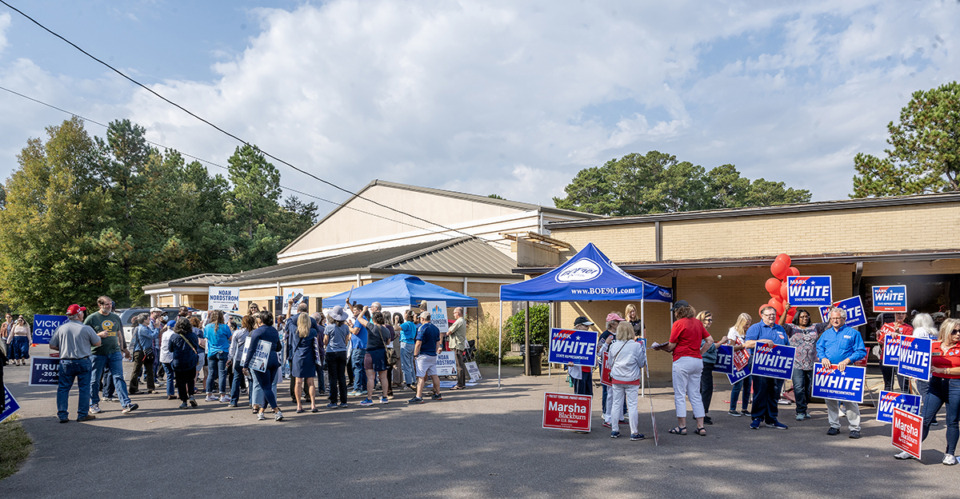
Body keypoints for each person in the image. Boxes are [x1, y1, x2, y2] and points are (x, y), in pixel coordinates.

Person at [896, 318, 960, 464]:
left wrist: (944, 370)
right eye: (954, 331)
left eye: (959, 331)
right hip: (936, 385)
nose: (958, 334)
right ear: (945, 331)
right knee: (924, 419)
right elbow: (915, 356)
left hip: (956, 385)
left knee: (952, 421)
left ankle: (950, 454)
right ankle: (910, 448)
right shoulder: (933, 345)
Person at [652, 300, 712, 436]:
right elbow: (709, 341)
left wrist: (660, 347)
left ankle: (682, 426)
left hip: (682, 360)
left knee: (680, 394)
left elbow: (671, 346)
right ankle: (701, 426)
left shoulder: (678, 324)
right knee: (695, 394)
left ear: (678, 311)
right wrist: (699, 353)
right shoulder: (698, 323)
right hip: (697, 361)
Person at [816, 307, 867, 439]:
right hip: (829, 371)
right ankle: (834, 425)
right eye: (832, 318)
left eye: (837, 318)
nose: (835, 320)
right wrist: (823, 358)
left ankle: (855, 428)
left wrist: (848, 360)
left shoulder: (853, 333)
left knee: (850, 401)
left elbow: (861, 351)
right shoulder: (826, 334)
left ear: (844, 319)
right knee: (831, 400)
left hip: (847, 370)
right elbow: (819, 347)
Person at [48, 304, 100, 422]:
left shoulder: (61, 328)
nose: (83, 314)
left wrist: (65, 348)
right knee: (84, 388)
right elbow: (97, 343)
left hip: (66, 361)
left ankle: (62, 415)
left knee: (63, 388)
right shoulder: (86, 328)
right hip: (83, 361)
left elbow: (52, 345)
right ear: (78, 315)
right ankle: (82, 414)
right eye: (81, 312)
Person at [87, 296, 138, 415]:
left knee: (118, 377)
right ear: (100, 305)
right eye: (107, 304)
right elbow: (84, 335)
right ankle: (93, 404)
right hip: (97, 353)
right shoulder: (92, 318)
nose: (110, 306)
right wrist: (98, 335)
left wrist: (124, 349)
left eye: (110, 304)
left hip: (114, 352)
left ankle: (126, 404)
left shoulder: (115, 317)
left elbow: (120, 334)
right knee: (94, 379)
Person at [743, 305, 790, 430]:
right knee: (760, 391)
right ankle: (757, 418)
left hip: (778, 365)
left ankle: (771, 419)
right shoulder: (756, 328)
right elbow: (747, 343)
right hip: (760, 364)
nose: (771, 317)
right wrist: (761, 341)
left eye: (773, 315)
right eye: (768, 315)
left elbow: (787, 346)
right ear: (762, 316)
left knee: (775, 392)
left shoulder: (780, 329)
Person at [607, 321, 647, 440]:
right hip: (632, 379)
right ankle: (634, 432)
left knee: (616, 404)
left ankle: (614, 430)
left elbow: (609, 363)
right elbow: (641, 363)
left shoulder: (613, 345)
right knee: (632, 405)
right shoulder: (636, 346)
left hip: (617, 378)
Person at [243, 310, 284, 421]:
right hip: (274, 360)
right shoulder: (274, 331)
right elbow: (278, 347)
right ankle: (261, 411)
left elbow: (251, 350)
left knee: (265, 387)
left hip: (261, 361)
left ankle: (277, 410)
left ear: (260, 319)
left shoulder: (257, 332)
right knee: (268, 387)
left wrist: (245, 365)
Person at [783, 308, 823, 421]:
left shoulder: (815, 327)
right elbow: (780, 325)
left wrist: (831, 309)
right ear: (797, 318)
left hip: (811, 364)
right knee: (798, 387)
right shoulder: (792, 328)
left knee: (807, 388)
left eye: (806, 316)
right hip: (796, 363)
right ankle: (800, 411)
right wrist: (786, 311)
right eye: (802, 317)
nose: (805, 319)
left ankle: (804, 409)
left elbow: (829, 324)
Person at [719, 313, 752, 416]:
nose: (748, 326)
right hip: (738, 361)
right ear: (741, 322)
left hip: (748, 360)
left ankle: (744, 408)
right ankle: (732, 409)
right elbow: (731, 347)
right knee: (738, 385)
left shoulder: (749, 331)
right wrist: (743, 345)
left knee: (748, 385)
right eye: (746, 324)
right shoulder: (733, 331)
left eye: (749, 324)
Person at [356, 309, 392, 405]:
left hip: (370, 353)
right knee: (383, 377)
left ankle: (369, 398)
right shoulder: (386, 330)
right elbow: (388, 342)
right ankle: (384, 397)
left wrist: (363, 310)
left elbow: (359, 318)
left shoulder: (371, 326)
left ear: (373, 319)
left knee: (371, 377)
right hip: (382, 353)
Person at [911, 313, 940, 426]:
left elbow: (913, 348)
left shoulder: (918, 332)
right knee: (931, 391)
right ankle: (933, 416)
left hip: (921, 365)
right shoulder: (934, 332)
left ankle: (929, 417)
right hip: (934, 364)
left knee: (923, 390)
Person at [409, 311, 442, 404]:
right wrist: (435, 351)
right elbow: (437, 342)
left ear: (422, 319)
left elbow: (418, 343)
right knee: (434, 375)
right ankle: (438, 394)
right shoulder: (435, 328)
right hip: (432, 355)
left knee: (420, 376)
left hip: (424, 355)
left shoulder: (422, 328)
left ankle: (418, 396)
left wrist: (415, 354)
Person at [290, 312, 321, 413]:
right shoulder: (312, 331)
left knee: (298, 382)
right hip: (309, 357)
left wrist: (295, 310)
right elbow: (317, 327)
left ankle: (299, 405)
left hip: (298, 357)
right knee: (311, 382)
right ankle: (313, 404)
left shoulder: (295, 330)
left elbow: (289, 320)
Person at [878, 312, 914, 392]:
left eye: (903, 314)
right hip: (886, 358)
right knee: (888, 385)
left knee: (904, 385)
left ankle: (906, 403)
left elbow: (909, 343)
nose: (900, 315)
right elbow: (881, 341)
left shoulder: (909, 328)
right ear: (894, 314)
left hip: (901, 360)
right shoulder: (886, 326)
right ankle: (888, 403)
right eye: (898, 313)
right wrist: (883, 335)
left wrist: (899, 335)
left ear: (905, 315)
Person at [169, 319, 200, 409]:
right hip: (190, 361)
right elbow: (196, 347)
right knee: (190, 380)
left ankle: (184, 401)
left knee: (180, 382)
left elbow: (170, 349)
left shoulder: (174, 336)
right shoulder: (193, 335)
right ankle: (191, 395)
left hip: (178, 361)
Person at [324, 306, 351, 409]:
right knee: (342, 377)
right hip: (342, 351)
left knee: (333, 378)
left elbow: (325, 341)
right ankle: (344, 400)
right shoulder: (345, 327)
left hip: (331, 352)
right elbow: (346, 339)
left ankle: (333, 401)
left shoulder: (329, 327)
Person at [203, 310, 232, 403]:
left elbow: (206, 338)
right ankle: (222, 395)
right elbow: (230, 338)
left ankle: (209, 394)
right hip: (222, 351)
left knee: (211, 373)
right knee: (222, 373)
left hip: (211, 352)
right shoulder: (225, 327)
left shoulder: (207, 327)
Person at [228, 315, 254, 407]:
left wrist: (230, 358)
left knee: (236, 378)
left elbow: (233, 347)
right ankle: (252, 401)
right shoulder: (255, 332)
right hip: (251, 359)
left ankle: (233, 401)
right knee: (251, 380)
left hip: (239, 358)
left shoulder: (237, 333)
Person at [128, 314, 158, 395]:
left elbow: (152, 333)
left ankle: (151, 388)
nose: (149, 320)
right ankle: (133, 389)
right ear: (144, 320)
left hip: (147, 351)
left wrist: (155, 328)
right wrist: (157, 328)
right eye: (148, 319)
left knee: (149, 370)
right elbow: (153, 335)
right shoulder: (142, 328)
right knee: (136, 370)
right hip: (140, 352)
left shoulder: (146, 327)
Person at [696, 310, 717, 425]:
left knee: (702, 388)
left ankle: (699, 412)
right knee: (706, 388)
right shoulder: (700, 331)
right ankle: (702, 414)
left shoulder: (702, 331)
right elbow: (708, 346)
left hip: (705, 363)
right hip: (704, 363)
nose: (710, 322)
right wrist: (721, 342)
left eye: (711, 320)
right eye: (708, 320)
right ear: (702, 320)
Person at [568, 317, 595, 396]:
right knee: (580, 396)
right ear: (578, 326)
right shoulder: (571, 337)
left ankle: (587, 409)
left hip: (588, 370)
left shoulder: (588, 337)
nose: (588, 328)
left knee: (589, 395)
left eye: (588, 326)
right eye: (586, 326)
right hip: (578, 371)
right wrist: (568, 361)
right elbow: (566, 353)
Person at [347, 301, 368, 396]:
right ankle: (363, 387)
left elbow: (355, 331)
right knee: (361, 368)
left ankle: (357, 388)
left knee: (357, 367)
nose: (353, 312)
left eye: (355, 311)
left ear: (360, 311)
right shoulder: (361, 319)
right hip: (361, 346)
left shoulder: (360, 319)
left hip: (359, 347)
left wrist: (348, 327)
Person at [448, 307, 468, 390]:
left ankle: (460, 384)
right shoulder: (462, 321)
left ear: (458, 313)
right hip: (459, 345)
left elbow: (449, 331)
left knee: (458, 366)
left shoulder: (458, 321)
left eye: (454, 313)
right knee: (461, 365)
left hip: (456, 346)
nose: (453, 314)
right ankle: (462, 383)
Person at [399, 310, 418, 390]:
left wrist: (396, 321)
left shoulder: (406, 324)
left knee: (406, 365)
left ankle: (408, 383)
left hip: (405, 343)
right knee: (410, 364)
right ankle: (413, 380)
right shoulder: (413, 324)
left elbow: (396, 328)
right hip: (412, 343)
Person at [159, 319, 178, 400]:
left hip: (163, 357)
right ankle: (181, 393)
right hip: (172, 357)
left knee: (169, 376)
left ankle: (170, 393)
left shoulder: (164, 333)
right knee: (178, 376)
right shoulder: (174, 334)